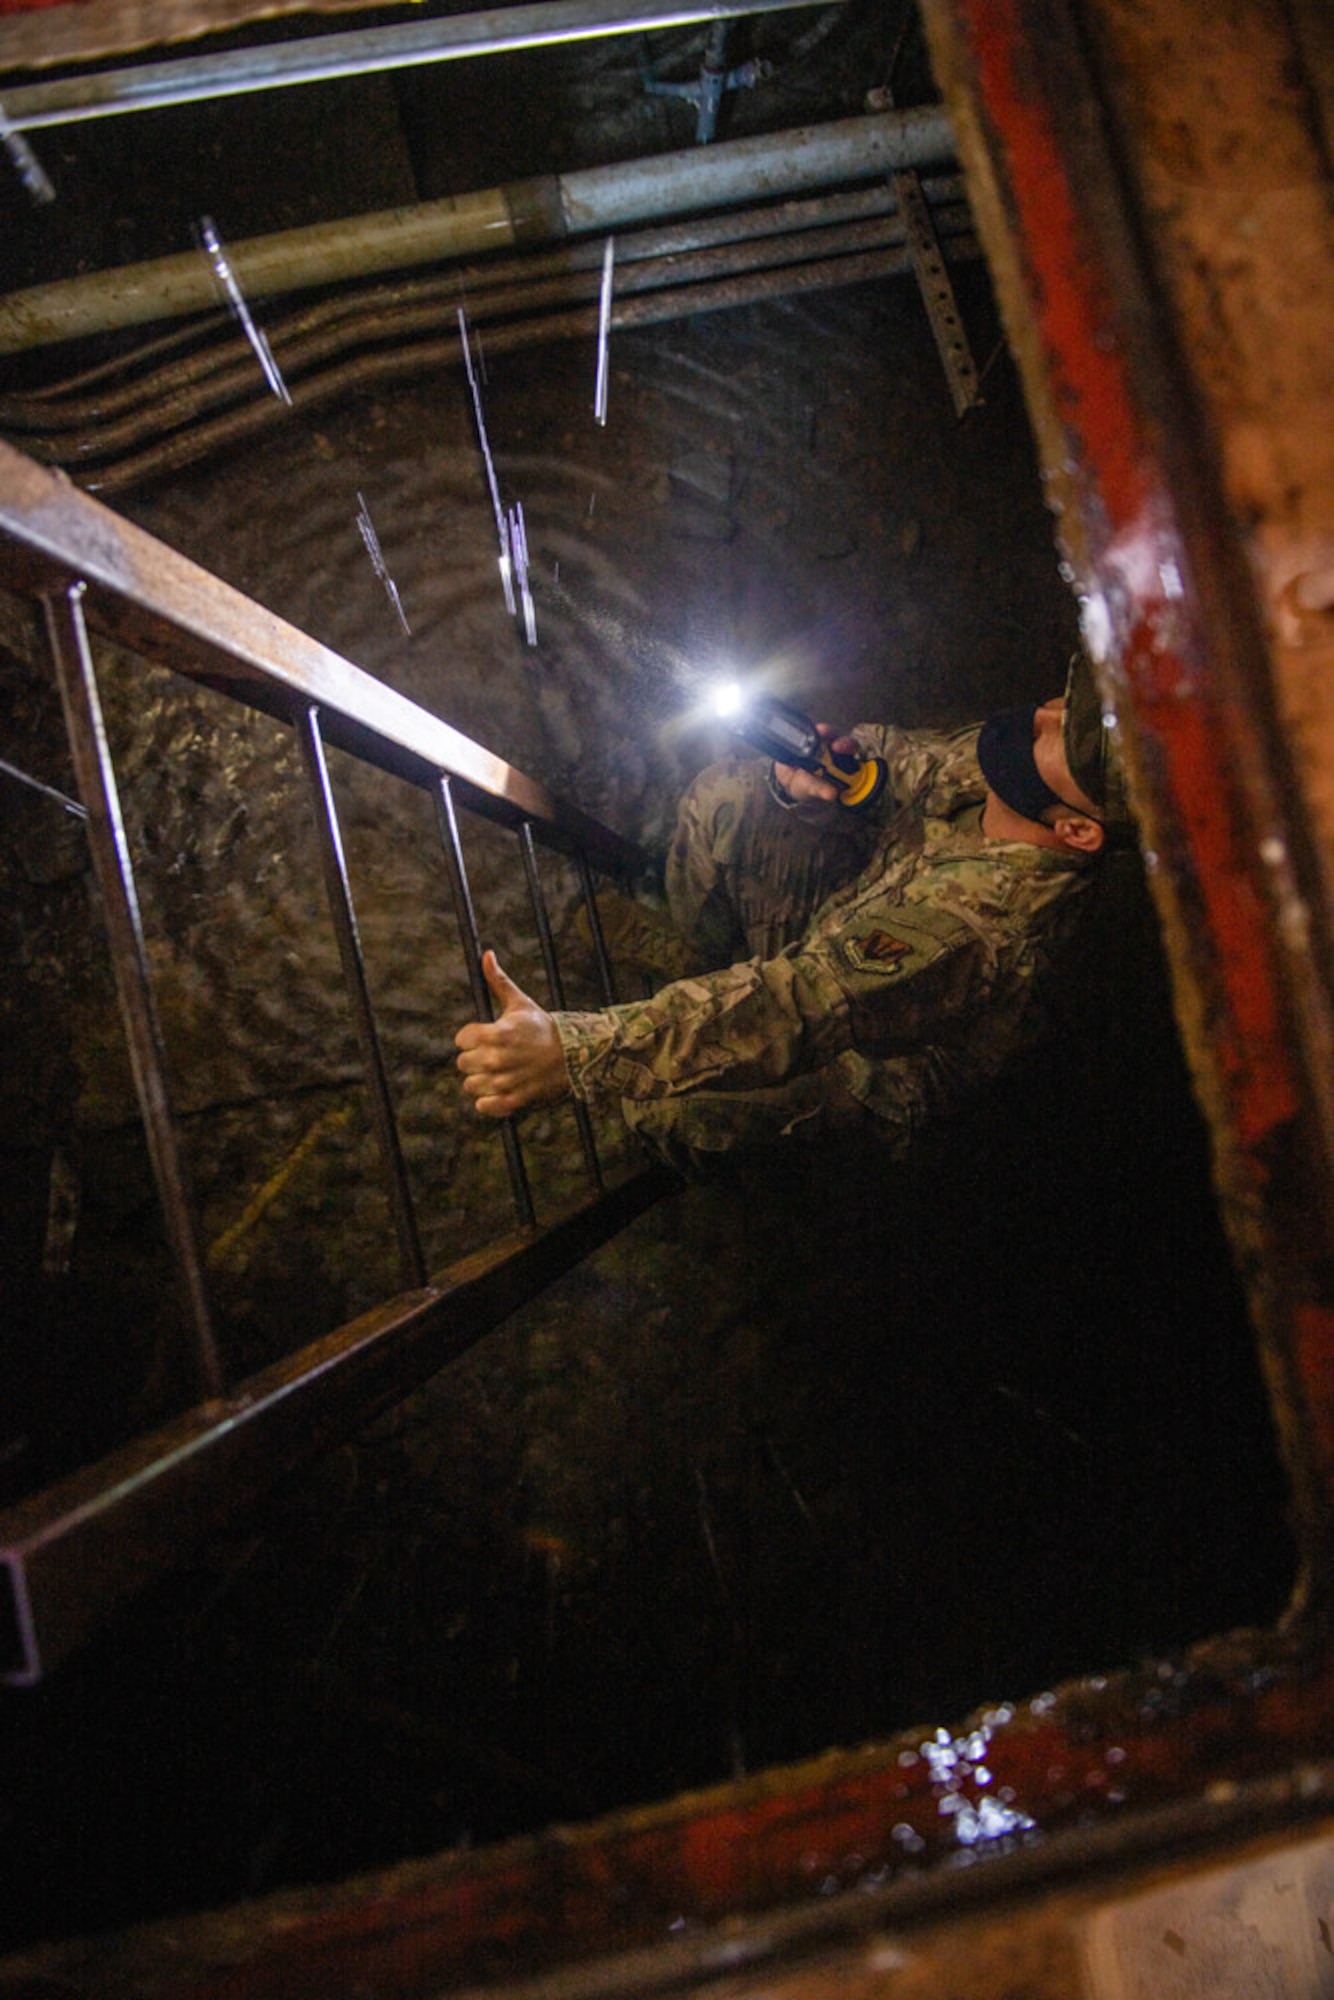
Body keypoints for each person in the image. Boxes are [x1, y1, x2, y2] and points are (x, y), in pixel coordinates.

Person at [454, 655, 1133, 1171]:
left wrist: (573, 1054)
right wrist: (825, 779)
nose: (1043, 714)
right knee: (729, 797)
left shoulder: (982, 935)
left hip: (869, 1058)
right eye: (1064, 703)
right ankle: (696, 961)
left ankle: (699, 1150)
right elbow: (913, 762)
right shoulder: (1014, 766)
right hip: (859, 909)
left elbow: (798, 1004)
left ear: (1077, 832)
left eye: (1063, 738)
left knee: (663, 1109)